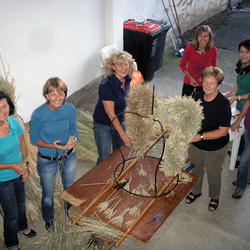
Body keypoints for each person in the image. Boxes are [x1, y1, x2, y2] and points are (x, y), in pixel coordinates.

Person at [30, 77, 78, 230]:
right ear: (46, 96)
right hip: (47, 160)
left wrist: (74, 139)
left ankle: (71, 213)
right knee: (48, 193)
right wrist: (51, 146)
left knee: (69, 187)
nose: (58, 98)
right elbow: (34, 139)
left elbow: (73, 129)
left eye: (61, 94)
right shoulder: (38, 114)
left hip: (68, 156)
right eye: (53, 94)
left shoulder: (70, 109)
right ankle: (49, 219)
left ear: (65, 94)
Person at [185, 67, 231, 211]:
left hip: (216, 147)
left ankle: (214, 196)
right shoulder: (197, 97)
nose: (208, 86)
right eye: (206, 82)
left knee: (214, 173)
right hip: (196, 145)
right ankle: (196, 191)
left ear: (219, 86)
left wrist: (200, 136)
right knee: (195, 168)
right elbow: (190, 117)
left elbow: (223, 131)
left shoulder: (223, 104)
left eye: (212, 83)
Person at [0, 91, 36, 250]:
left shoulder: (13, 123)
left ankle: (23, 227)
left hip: (18, 172)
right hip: (2, 179)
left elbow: (22, 144)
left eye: (4, 106)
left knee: (21, 204)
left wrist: (26, 166)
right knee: (11, 213)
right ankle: (11, 243)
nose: (2, 111)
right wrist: (11, 167)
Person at [93, 51, 135, 164]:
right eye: (119, 65)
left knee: (120, 154)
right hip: (104, 124)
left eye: (126, 64)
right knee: (105, 158)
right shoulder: (106, 86)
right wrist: (123, 135)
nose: (123, 68)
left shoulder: (128, 80)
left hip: (120, 120)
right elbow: (110, 114)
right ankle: (102, 179)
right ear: (113, 67)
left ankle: (117, 178)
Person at [225, 39, 250, 163]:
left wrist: (236, 98)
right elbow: (239, 85)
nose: (243, 54)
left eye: (247, 52)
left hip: (247, 106)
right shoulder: (243, 65)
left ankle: (242, 159)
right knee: (240, 133)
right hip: (240, 104)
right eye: (241, 51)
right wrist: (228, 94)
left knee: (244, 132)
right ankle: (238, 152)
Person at [180, 25, 217, 97]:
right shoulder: (190, 48)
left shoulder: (213, 50)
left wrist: (206, 78)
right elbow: (182, 65)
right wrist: (190, 78)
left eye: (206, 36)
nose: (203, 39)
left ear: (209, 38)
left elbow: (214, 68)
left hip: (205, 85)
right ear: (197, 37)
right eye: (200, 36)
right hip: (189, 83)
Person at [231, 94, 250, 199]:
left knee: (243, 161)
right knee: (247, 159)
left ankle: (240, 186)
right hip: (248, 127)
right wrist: (238, 121)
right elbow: (247, 103)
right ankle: (247, 177)